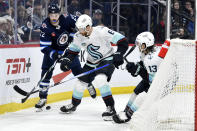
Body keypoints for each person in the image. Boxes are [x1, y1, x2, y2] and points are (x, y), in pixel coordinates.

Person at [59, 14, 129, 121]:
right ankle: (73, 105)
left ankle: (110, 108)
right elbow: (73, 51)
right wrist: (67, 60)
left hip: (107, 59)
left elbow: (123, 40)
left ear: (88, 27)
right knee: (79, 84)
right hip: (91, 62)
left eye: (81, 29)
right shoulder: (78, 36)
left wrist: (119, 54)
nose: (79, 31)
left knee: (100, 79)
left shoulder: (102, 31)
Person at [112, 32, 170, 123]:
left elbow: (149, 78)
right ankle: (125, 111)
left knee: (142, 97)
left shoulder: (153, 59)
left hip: (163, 82)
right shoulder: (146, 54)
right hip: (156, 78)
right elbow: (143, 67)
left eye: (139, 44)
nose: (138, 46)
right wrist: (134, 68)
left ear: (145, 45)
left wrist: (137, 70)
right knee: (136, 91)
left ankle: (128, 115)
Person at [35, 3, 82, 110]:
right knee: (46, 72)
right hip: (52, 51)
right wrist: (53, 54)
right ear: (48, 15)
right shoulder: (45, 26)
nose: (54, 17)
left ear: (59, 14)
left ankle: (87, 84)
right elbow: (44, 47)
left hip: (67, 50)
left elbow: (82, 21)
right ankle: (42, 97)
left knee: (77, 69)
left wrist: (73, 35)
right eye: (51, 15)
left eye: (56, 15)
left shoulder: (67, 18)